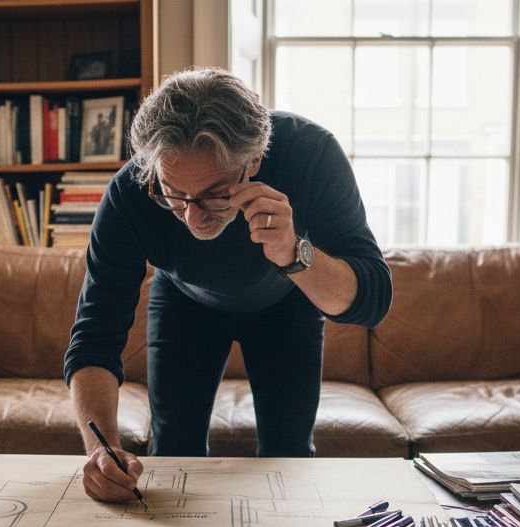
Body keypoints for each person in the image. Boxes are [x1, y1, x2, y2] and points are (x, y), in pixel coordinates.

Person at [64, 68, 391, 502]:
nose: (194, 217)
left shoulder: (311, 155)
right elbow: (93, 340)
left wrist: (296, 252)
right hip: (184, 303)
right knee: (174, 450)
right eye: (174, 194)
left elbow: (372, 303)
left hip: (287, 301)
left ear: (253, 162)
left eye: (215, 194)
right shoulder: (130, 193)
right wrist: (99, 453)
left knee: (288, 456)